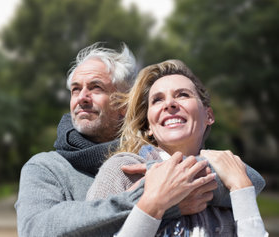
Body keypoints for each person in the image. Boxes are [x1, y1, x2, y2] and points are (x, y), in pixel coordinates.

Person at [15, 43, 241, 237]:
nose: (82, 98)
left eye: (96, 88)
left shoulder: (154, 155)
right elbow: (36, 229)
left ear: (124, 104)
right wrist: (159, 200)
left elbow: (249, 179)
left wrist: (170, 181)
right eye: (75, 90)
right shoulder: (45, 167)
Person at [86, 59, 267, 236]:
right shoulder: (122, 171)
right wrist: (153, 206)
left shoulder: (230, 175)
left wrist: (242, 187)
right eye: (157, 100)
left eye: (183, 95)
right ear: (148, 126)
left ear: (209, 115)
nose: (170, 104)